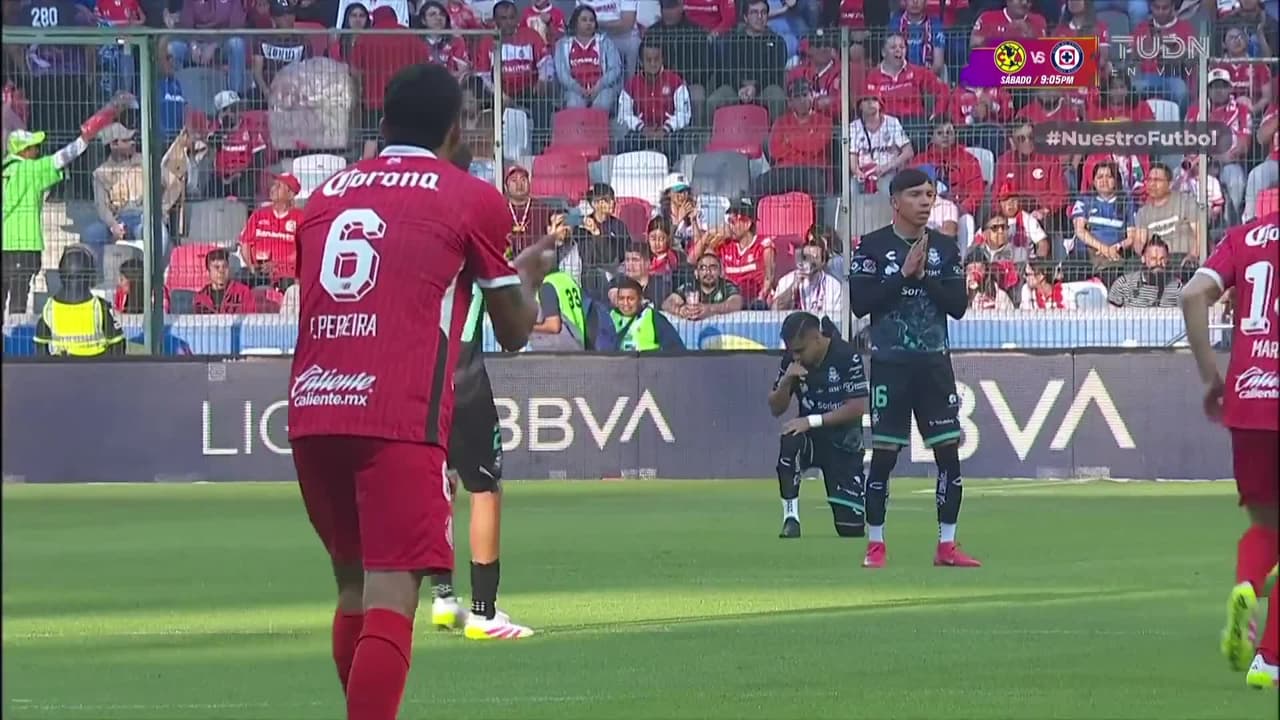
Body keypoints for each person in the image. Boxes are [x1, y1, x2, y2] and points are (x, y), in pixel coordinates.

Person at [287, 64, 553, 720]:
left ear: (381, 125)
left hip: (313, 405)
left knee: (353, 590)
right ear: (456, 130)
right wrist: (528, 276)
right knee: (390, 598)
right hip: (396, 414)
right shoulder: (469, 197)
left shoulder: (323, 197)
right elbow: (514, 331)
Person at [428, 142, 535, 641]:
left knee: (437, 481)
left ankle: (442, 598)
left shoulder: (411, 227)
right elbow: (508, 316)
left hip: (414, 374)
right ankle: (485, 613)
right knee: (484, 487)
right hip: (463, 374)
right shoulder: (472, 228)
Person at [848, 167, 979, 569]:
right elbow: (860, 303)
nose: (925, 202)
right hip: (890, 366)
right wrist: (903, 275)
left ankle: (947, 545)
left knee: (948, 456)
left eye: (930, 195)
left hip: (934, 365)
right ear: (895, 201)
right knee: (884, 457)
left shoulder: (945, 248)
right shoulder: (871, 247)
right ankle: (875, 544)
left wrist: (924, 278)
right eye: (916, 195)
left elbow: (957, 306)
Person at [1177, 211, 1280, 690]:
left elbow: (1192, 293)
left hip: (1250, 398)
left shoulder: (1247, 236)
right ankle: (1269, 660)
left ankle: (1247, 586)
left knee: (1266, 524)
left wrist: (1210, 377)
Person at [766, 311, 869, 539]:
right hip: (811, 440)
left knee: (850, 528)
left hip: (843, 444)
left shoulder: (846, 355)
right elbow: (776, 408)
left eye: (800, 350)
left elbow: (856, 408)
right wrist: (786, 381)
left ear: (816, 338)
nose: (796, 357)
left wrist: (811, 421)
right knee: (790, 438)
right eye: (791, 351)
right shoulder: (792, 361)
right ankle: (790, 518)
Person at [33, 246, 126, 358]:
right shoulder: (98, 307)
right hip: (97, 364)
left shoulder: (50, 308)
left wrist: (53, 365)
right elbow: (118, 342)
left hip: (64, 364)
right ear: (90, 276)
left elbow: (40, 344)